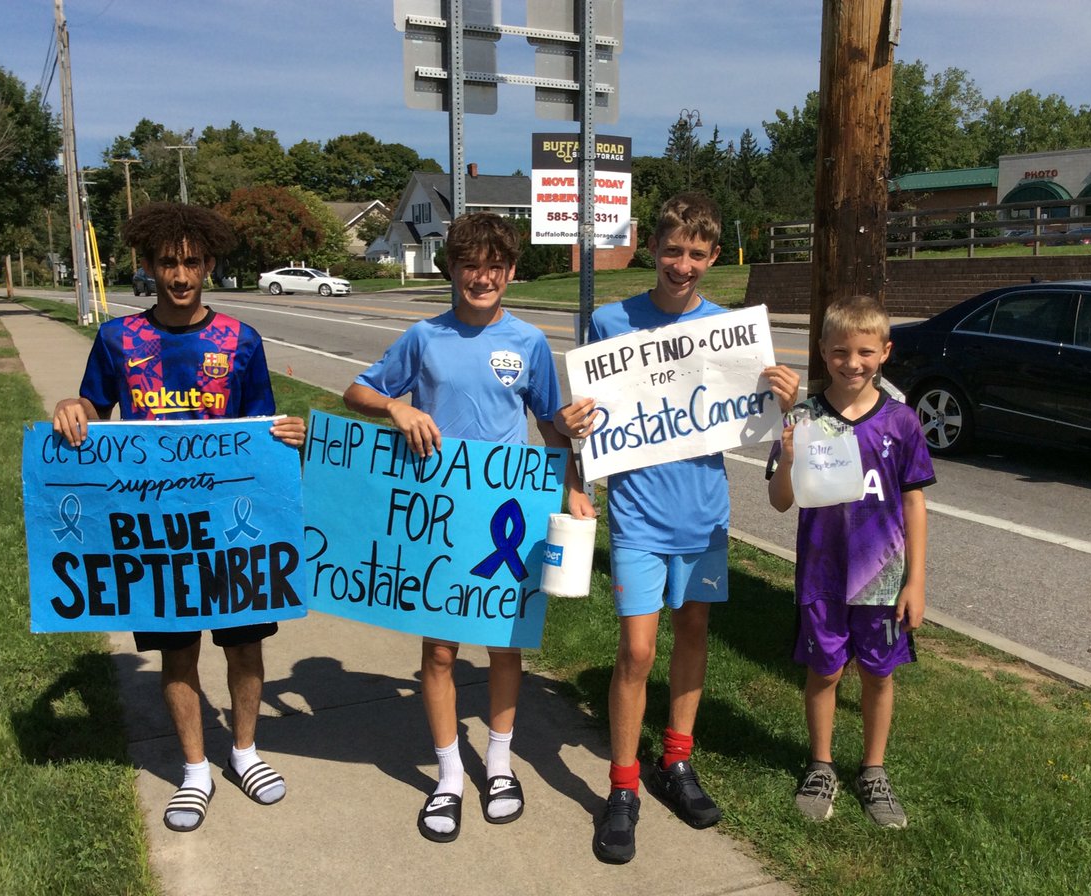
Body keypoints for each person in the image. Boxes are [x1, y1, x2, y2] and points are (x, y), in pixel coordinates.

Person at [557, 193, 801, 864]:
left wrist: (784, 409)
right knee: (636, 653)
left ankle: (678, 760)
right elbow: (583, 416)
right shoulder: (610, 322)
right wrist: (574, 476)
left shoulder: (731, 330)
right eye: (672, 250)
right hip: (637, 515)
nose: (682, 264)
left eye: (697, 254)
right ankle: (623, 786)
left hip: (704, 517)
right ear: (652, 249)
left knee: (693, 634)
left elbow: (762, 432)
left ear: (714, 257)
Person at [52, 202, 307, 833]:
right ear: (148, 265)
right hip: (155, 531)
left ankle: (244, 752)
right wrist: (75, 405)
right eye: (168, 261)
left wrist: (289, 434)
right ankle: (195, 770)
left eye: (192, 261)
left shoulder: (239, 342)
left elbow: (259, 430)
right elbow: (94, 400)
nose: (181, 274)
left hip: (231, 526)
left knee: (245, 647)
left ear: (210, 264)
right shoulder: (120, 339)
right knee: (177, 653)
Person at [343, 211, 595, 843]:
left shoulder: (531, 343)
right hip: (439, 511)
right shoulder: (424, 338)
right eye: (468, 265)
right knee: (438, 650)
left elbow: (547, 423)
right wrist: (397, 407)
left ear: (510, 273)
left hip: (505, 511)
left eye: (493, 267)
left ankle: (501, 763)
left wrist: (572, 484)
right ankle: (450, 774)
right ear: (450, 269)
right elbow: (356, 391)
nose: (481, 277)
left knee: (504, 645)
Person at [766, 295, 934, 829]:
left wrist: (917, 581)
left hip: (884, 581)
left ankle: (874, 770)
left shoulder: (902, 422)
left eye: (864, 351)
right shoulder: (803, 418)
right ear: (822, 352)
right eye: (840, 351)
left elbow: (914, 503)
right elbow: (779, 500)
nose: (852, 363)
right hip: (821, 576)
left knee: (879, 677)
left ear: (884, 352)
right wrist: (789, 456)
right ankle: (821, 765)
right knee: (825, 671)